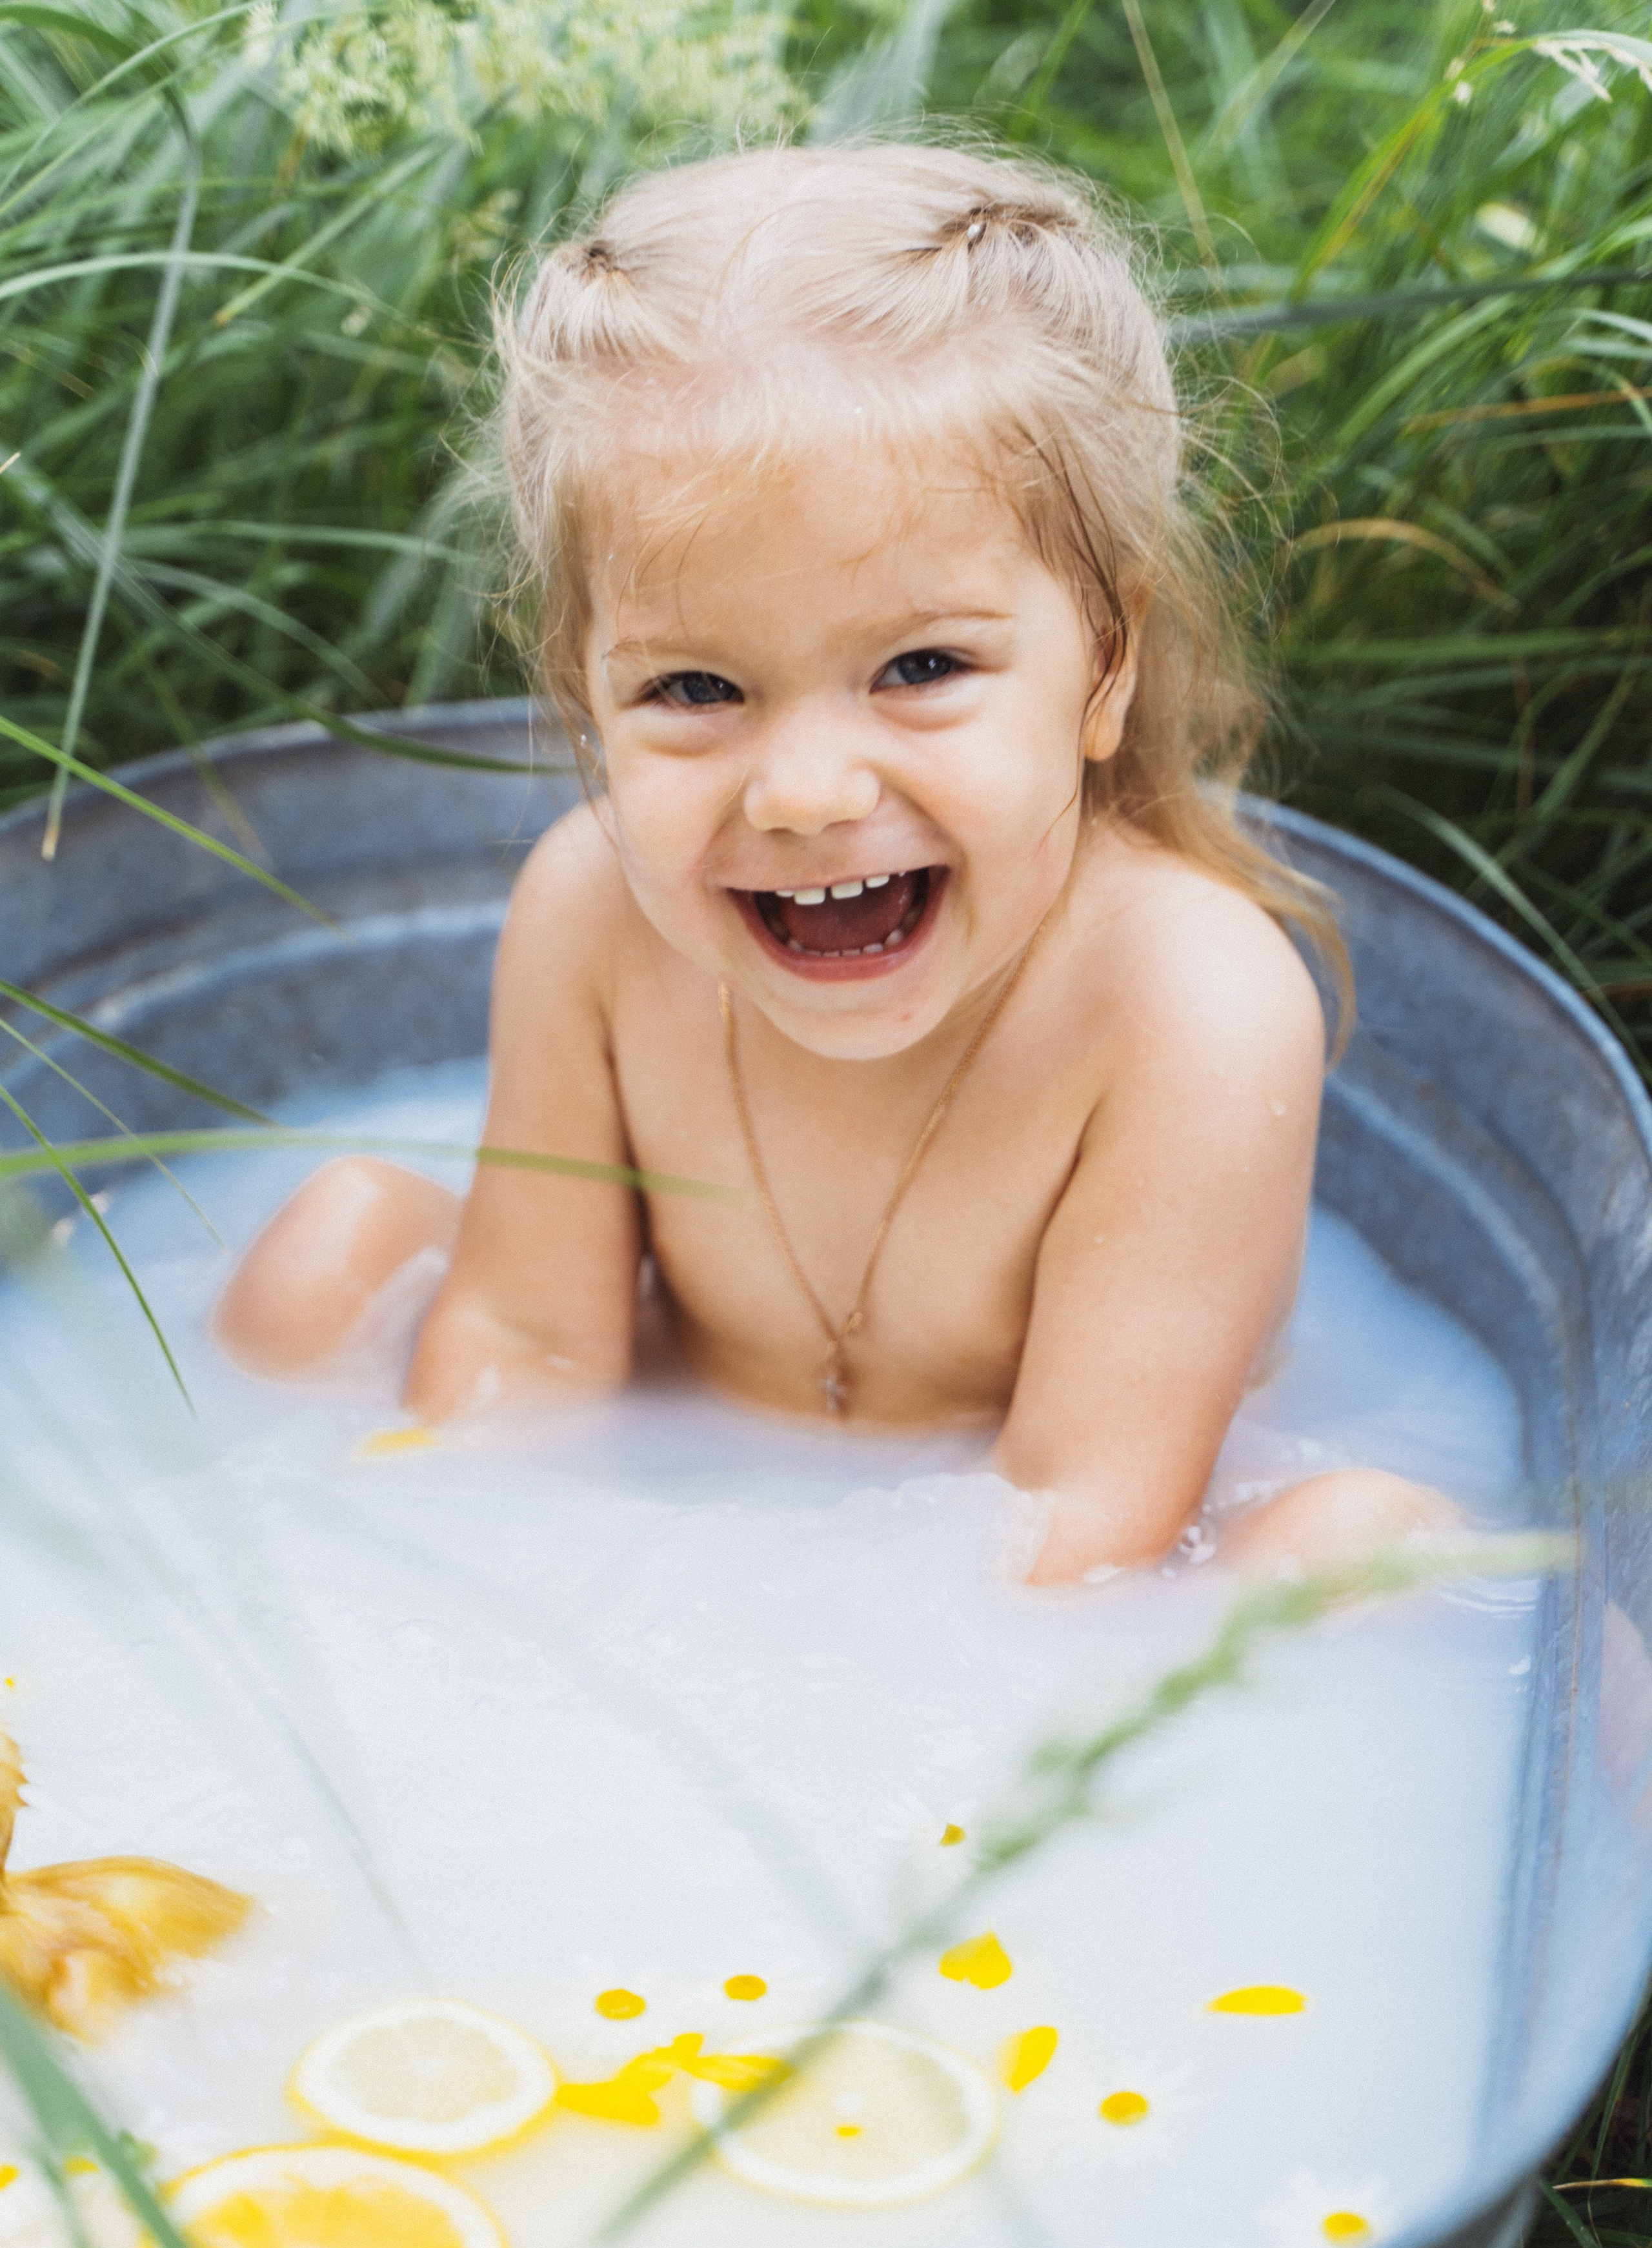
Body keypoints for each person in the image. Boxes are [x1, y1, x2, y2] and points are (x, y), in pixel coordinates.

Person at [214, 139, 1453, 1585]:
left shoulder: (1184, 1003)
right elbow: (535, 1341)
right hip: (698, 1428)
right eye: (693, 690)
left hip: (1093, 1503)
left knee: (1353, 1556)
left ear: (1102, 664)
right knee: (334, 1247)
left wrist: (781, 1672)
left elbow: (1074, 1526)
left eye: (919, 666)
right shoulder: (590, 908)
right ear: (582, 696)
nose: (804, 794)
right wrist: (452, 1589)